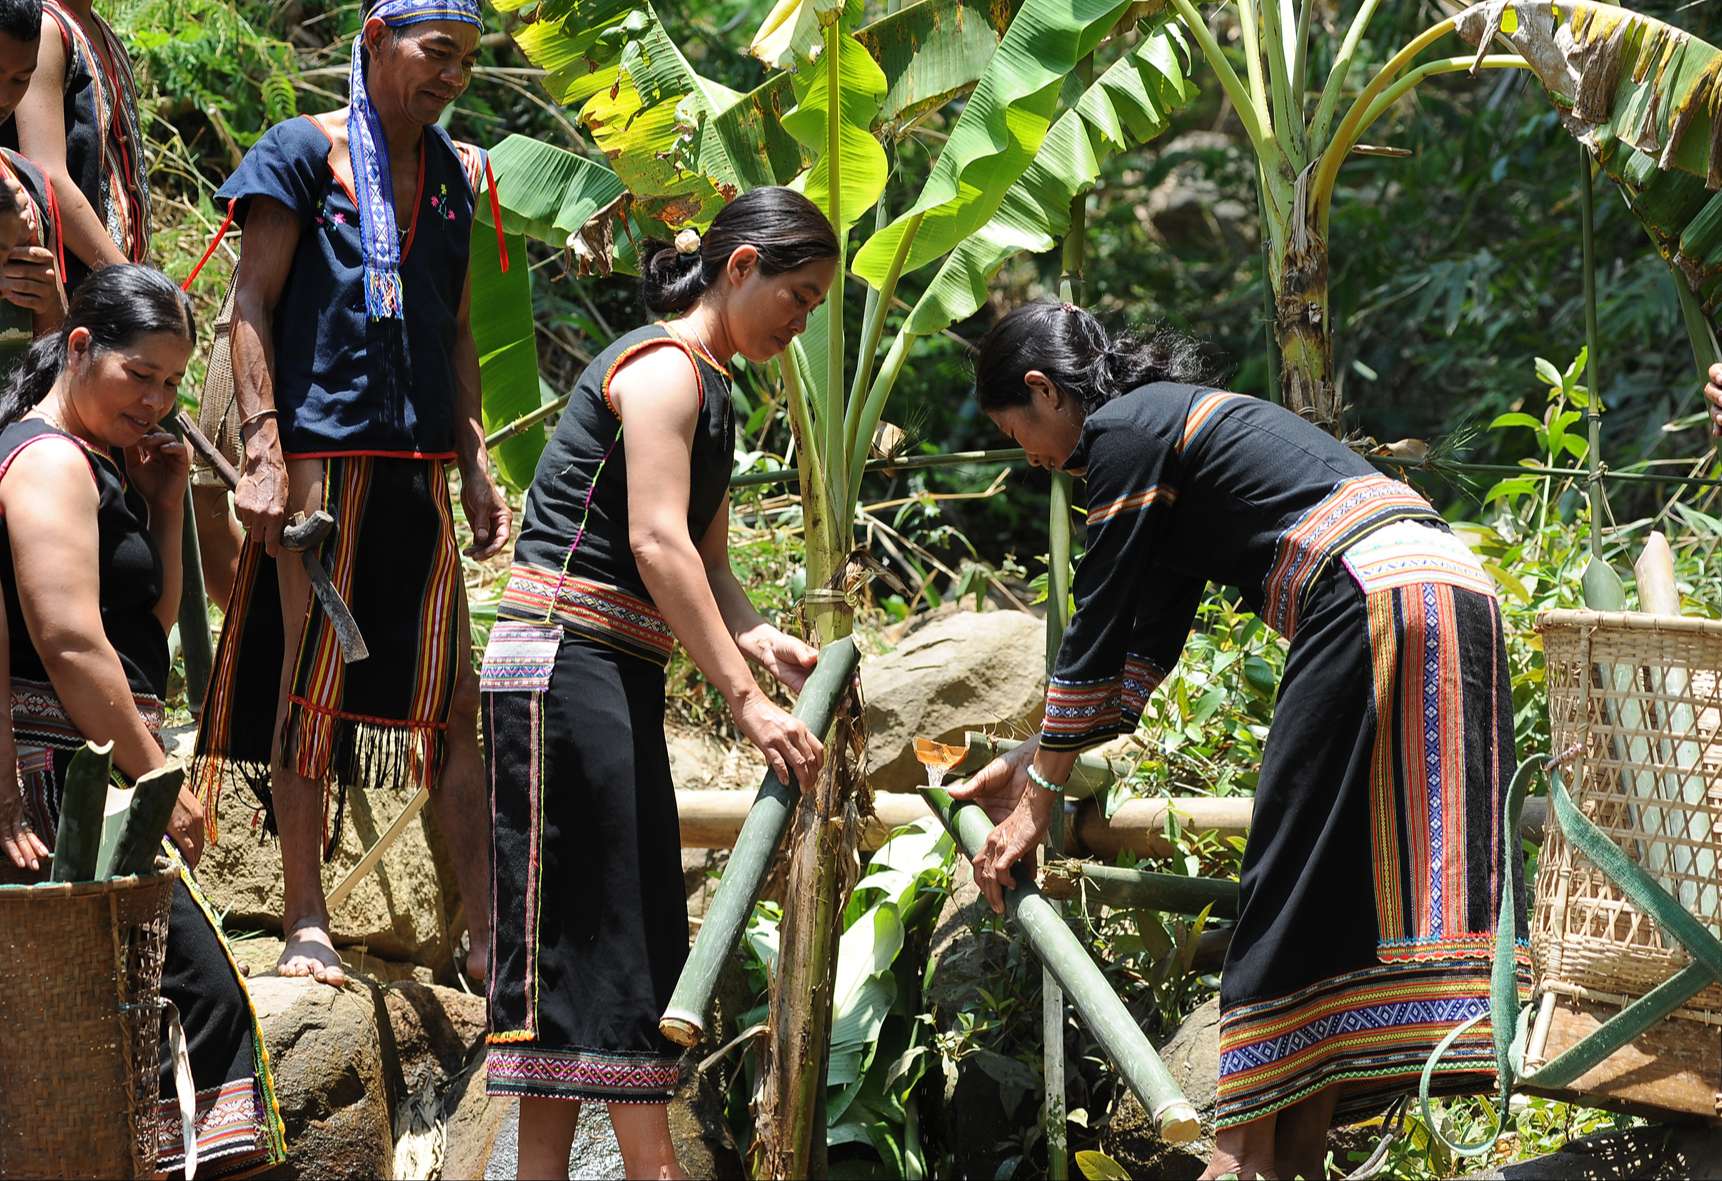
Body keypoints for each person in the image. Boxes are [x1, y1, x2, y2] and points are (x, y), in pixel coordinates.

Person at [951, 303, 1522, 1181]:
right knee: (1334, 878)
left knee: (1285, 864)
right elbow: (1141, 654)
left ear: (1042, 390)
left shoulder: (1119, 431)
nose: (1028, 456)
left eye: (1014, 429)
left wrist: (1039, 803)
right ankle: (1292, 1150)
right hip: (1451, 592)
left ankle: (1238, 1155)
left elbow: (1096, 623)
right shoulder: (1169, 425)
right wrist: (1037, 755)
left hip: (1371, 595)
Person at [482, 188, 835, 1180]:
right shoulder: (664, 372)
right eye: (796, 295)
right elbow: (651, 541)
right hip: (560, 660)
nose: (801, 319)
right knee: (596, 935)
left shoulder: (714, 388)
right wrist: (744, 698)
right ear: (739, 269)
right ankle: (653, 1165)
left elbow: (710, 565)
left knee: (611, 926)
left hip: (610, 668)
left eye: (814, 304)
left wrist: (767, 642)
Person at [189, 0, 507, 989]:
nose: (452, 75)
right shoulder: (300, 151)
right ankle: (306, 919)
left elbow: (455, 330)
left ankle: (493, 935)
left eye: (466, 61)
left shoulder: (456, 174)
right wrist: (265, 450)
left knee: (456, 700)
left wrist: (476, 454)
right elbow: (251, 303)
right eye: (436, 53)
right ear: (376, 40)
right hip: (323, 461)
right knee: (309, 685)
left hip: (418, 469)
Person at [0, 264, 286, 1177]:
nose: (159, 401)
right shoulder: (45, 458)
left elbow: (142, 631)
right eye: (142, 376)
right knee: (196, 1001)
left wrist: (165, 509)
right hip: (60, 790)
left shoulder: (96, 462)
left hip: (97, 772)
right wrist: (156, 770)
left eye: (172, 383)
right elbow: (69, 645)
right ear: (79, 346)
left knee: (150, 1014)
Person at [0, 0, 67, 369]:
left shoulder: (27, 181)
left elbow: (54, 345)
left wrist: (47, 298)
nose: (4, 98)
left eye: (20, 79)